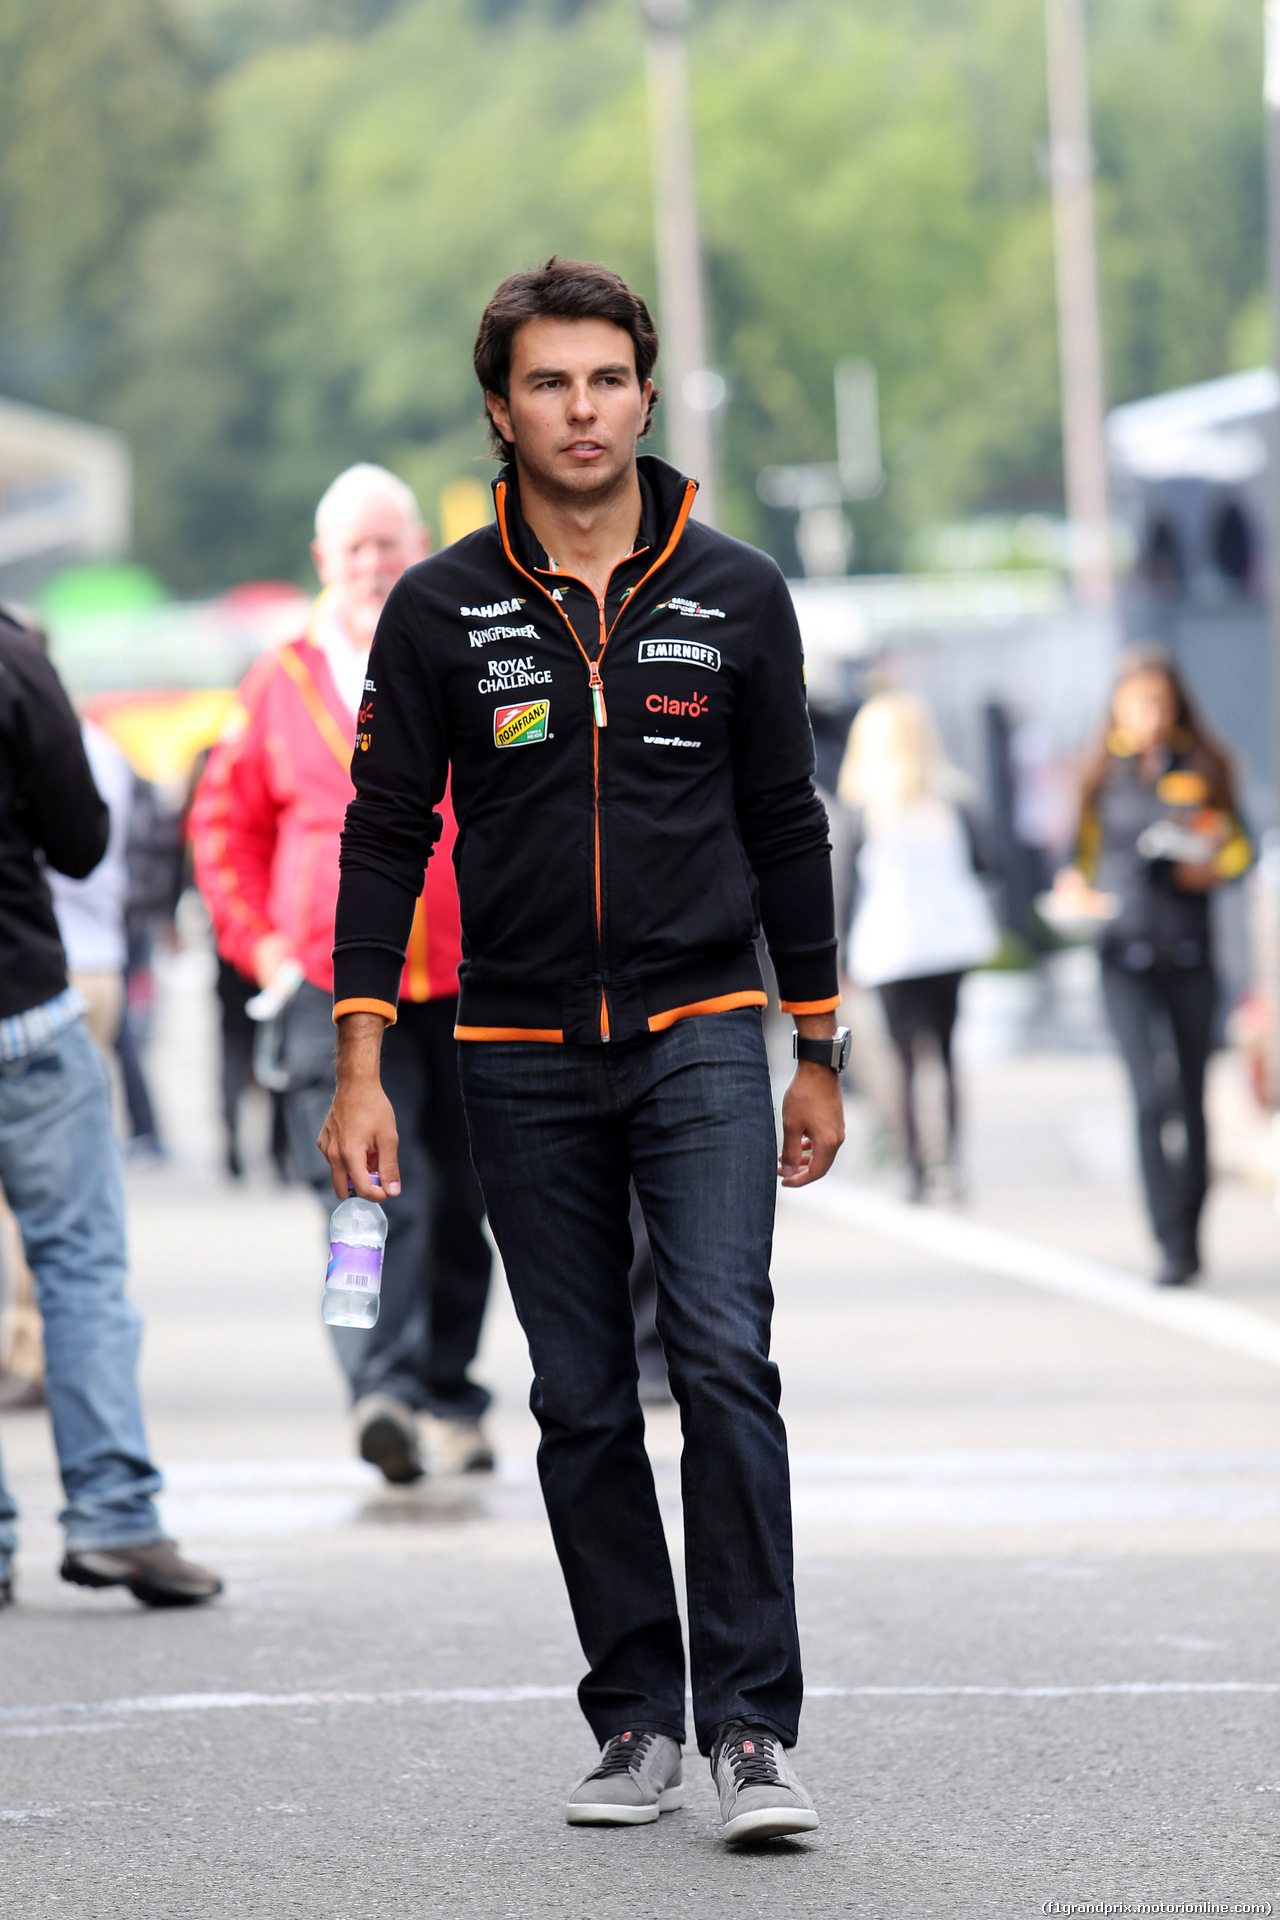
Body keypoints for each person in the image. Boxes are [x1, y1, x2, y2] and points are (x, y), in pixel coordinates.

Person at [320, 257, 847, 1843]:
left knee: (721, 1361)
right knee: (576, 1396)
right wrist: (358, 1063)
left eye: (607, 379)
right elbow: (381, 833)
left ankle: (751, 1727)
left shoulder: (739, 592)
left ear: (646, 391)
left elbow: (787, 824)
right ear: (502, 408)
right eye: (549, 383)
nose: (582, 408)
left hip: (698, 1033)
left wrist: (816, 1041)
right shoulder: (441, 606)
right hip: (514, 1044)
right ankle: (636, 1715)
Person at [191, 465, 495, 1482]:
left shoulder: (466, 656)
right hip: (332, 988)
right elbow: (221, 828)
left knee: (462, 1200)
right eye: (356, 550)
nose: (374, 565)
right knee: (362, 1206)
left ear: (418, 553)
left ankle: (448, 1392)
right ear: (324, 561)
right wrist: (264, 948)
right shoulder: (274, 683)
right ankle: (380, 1388)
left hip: (465, 977)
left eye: (390, 546)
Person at [0, 606, 221, 1609]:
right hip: (25, 1011)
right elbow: (84, 840)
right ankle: (114, 1520)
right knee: (79, 1267)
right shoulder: (12, 653)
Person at [1053, 645, 1251, 1286]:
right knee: (1149, 1096)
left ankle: (1190, 1236)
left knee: (1192, 1098)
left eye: (1161, 703)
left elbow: (1239, 851)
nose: (1150, 715)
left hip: (1190, 953)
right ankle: (1166, 1237)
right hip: (1123, 954)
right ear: (1117, 705)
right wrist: (1074, 894)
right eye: (1139, 703)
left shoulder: (1205, 764)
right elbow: (1079, 862)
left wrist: (1208, 865)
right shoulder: (1100, 774)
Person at [837, 691, 999, 1200]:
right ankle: (949, 1161)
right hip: (949, 942)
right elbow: (988, 864)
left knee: (903, 1059)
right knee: (947, 1054)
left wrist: (837, 958)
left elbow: (846, 890)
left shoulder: (864, 811)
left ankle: (913, 1169)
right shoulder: (955, 801)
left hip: (891, 948)